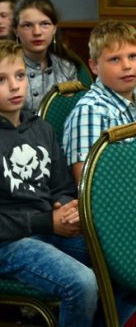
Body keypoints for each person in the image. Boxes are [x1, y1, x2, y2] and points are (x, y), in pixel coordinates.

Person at [0, 40, 98, 326]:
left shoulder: (41, 128)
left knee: (119, 254)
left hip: (48, 228)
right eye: (2, 80)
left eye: (20, 75)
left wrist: (67, 210)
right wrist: (47, 222)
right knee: (82, 282)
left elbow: (62, 188)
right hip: (9, 243)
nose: (15, 86)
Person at [63, 20, 136, 183]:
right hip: (122, 194)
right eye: (115, 59)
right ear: (94, 66)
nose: (127, 66)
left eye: (133, 56)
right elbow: (87, 183)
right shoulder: (89, 112)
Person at [13, 0, 81, 113]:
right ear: (16, 31)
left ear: (54, 29)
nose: (37, 32)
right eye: (27, 25)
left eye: (44, 24)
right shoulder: (5, 67)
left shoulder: (67, 68)